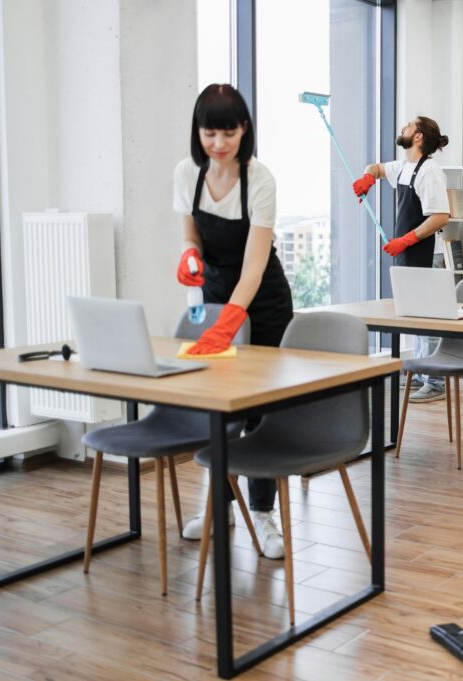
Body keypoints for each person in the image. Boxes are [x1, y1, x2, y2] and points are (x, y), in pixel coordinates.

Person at [173, 84, 293, 559]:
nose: (219, 143)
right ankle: (220, 505)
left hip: (261, 299)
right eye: (210, 133)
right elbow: (191, 237)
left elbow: (254, 266)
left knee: (261, 412)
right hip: (217, 289)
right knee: (219, 407)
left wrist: (231, 320)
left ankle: (262, 514)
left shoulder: (259, 180)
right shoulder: (187, 173)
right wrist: (189, 257)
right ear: (197, 133)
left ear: (245, 129)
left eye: (228, 132)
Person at [353, 116, 451, 402]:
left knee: (427, 320)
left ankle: (435, 382)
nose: (402, 128)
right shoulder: (405, 167)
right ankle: (422, 374)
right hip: (406, 255)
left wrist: (407, 239)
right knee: (413, 318)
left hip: (424, 255)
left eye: (408, 125)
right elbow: (377, 168)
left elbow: (440, 217)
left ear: (418, 137)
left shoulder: (429, 171)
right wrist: (368, 178)